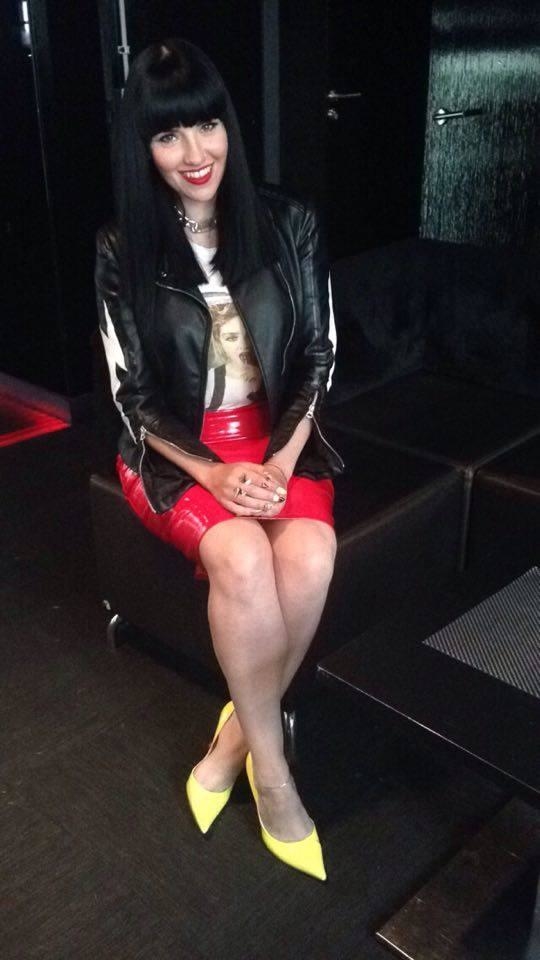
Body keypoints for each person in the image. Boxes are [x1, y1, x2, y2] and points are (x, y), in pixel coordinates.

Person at [95, 38, 344, 882]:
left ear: (228, 126)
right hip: (177, 452)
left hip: (278, 439)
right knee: (240, 554)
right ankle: (273, 778)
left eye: (207, 125)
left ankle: (231, 743)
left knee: (311, 553)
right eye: (169, 135)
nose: (194, 152)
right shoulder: (122, 248)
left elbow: (319, 357)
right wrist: (212, 473)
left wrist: (281, 460)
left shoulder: (288, 220)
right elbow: (133, 396)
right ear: (144, 147)